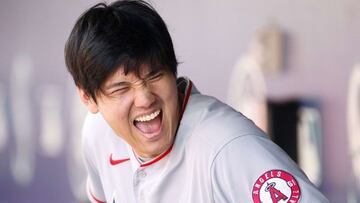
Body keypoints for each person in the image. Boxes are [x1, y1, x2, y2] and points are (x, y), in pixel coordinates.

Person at [65, 1, 329, 202]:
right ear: (88, 97)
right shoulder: (97, 132)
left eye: (155, 75)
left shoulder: (227, 148)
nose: (145, 98)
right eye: (121, 88)